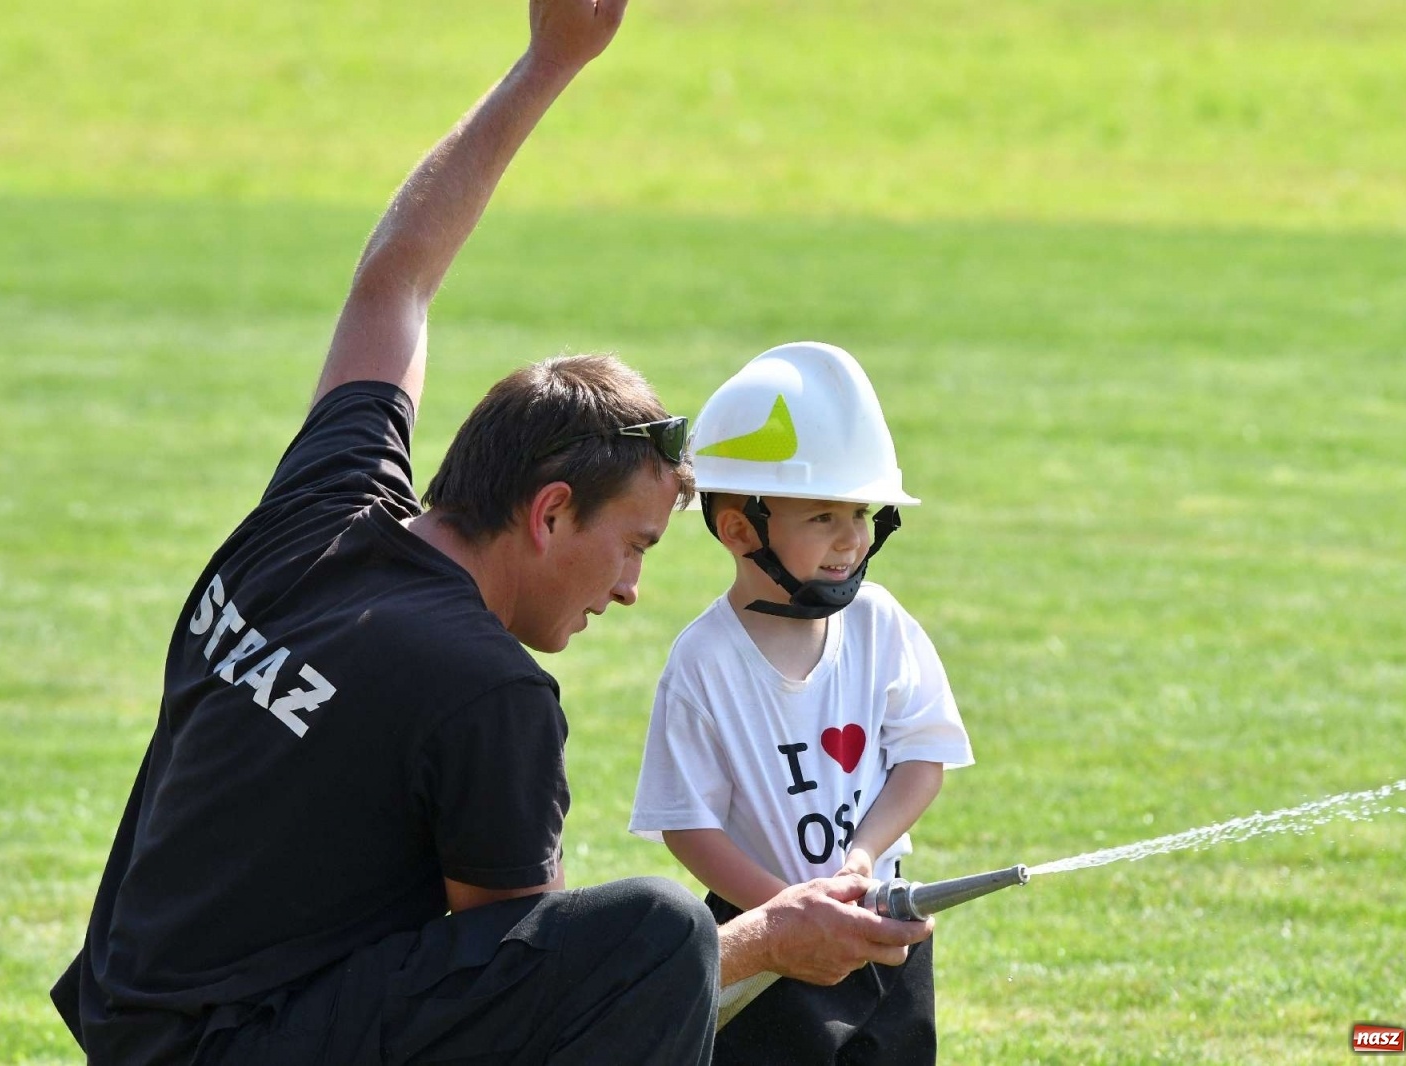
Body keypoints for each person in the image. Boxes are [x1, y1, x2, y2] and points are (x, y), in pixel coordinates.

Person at [50, 3, 934, 1064]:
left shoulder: (319, 509)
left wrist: (548, 62)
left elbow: (397, 280)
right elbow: (537, 994)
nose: (630, 590)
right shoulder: (488, 691)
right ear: (550, 510)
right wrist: (773, 937)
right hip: (233, 1048)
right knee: (653, 934)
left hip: (135, 1021)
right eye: (637, 544)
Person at [630, 341, 975, 1064]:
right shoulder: (704, 662)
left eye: (859, 511)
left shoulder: (881, 625)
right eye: (822, 516)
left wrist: (862, 856)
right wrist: (781, 915)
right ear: (738, 529)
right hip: (760, 933)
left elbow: (921, 759)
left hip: (880, 920)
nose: (851, 537)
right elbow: (687, 824)